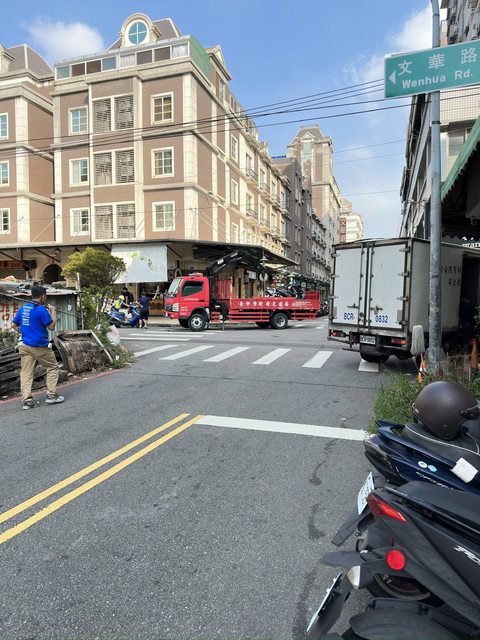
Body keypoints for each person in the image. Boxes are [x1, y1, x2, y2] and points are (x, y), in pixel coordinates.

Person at [11, 284, 64, 410]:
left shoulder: (23, 308)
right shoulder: (41, 310)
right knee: (53, 367)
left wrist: (25, 333)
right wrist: (53, 312)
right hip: (39, 346)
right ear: (43, 297)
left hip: (25, 346)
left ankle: (27, 401)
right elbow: (51, 327)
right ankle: (51, 395)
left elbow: (13, 325)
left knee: (26, 373)